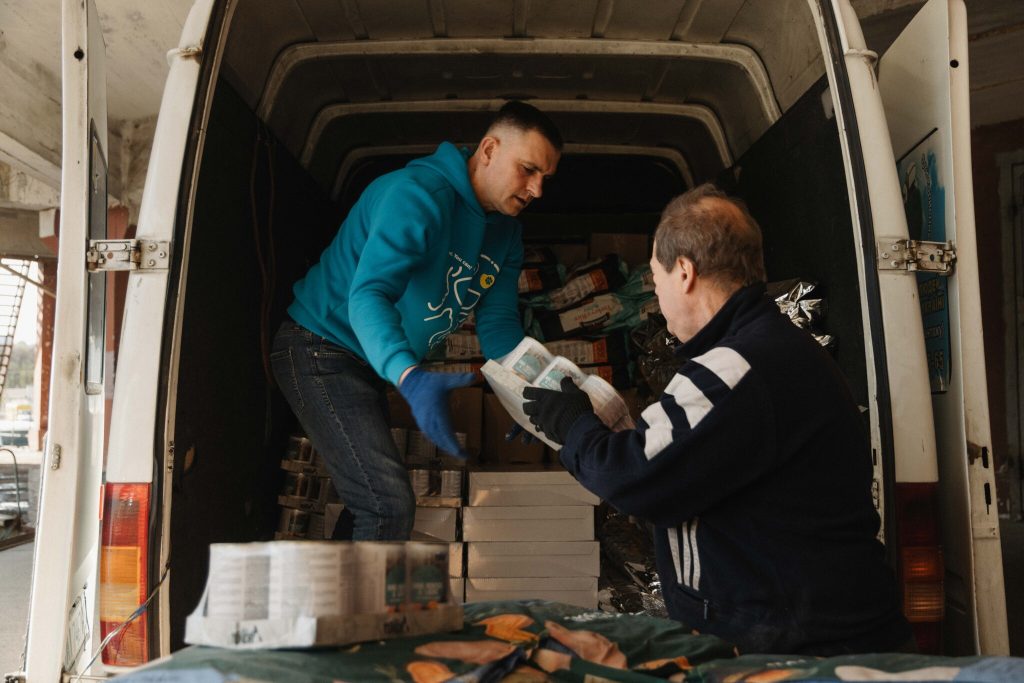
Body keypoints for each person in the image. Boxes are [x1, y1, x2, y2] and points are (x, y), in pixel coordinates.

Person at [523, 184, 912, 655]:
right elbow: (680, 463)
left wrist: (573, 425)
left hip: (802, 650)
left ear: (684, 273)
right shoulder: (766, 350)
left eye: (656, 279)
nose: (657, 297)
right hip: (802, 632)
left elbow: (633, 478)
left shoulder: (737, 365)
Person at [273, 101, 561, 540]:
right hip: (320, 348)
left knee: (372, 503)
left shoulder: (506, 233)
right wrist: (409, 376)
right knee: (386, 504)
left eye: (545, 178)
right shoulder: (416, 196)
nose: (537, 189)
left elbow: (499, 324)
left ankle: (339, 585)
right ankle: (362, 590)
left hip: (368, 365)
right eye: (528, 170)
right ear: (488, 150)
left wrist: (529, 394)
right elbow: (369, 296)